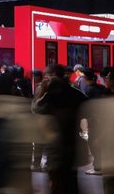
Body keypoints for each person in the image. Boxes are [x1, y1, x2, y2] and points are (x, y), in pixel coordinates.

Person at [33, 64, 88, 194]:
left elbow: (35, 109)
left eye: (47, 76)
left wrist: (43, 91)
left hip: (55, 146)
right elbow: (87, 109)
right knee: (71, 181)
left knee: (57, 182)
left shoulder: (49, 95)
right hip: (72, 145)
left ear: (52, 76)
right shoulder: (75, 93)